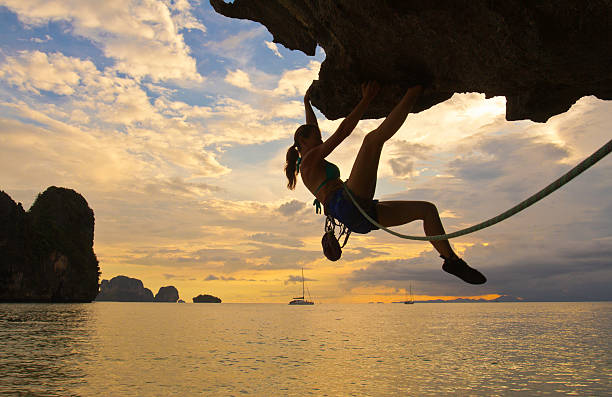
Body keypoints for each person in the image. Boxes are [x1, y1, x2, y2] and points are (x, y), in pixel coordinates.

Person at [285, 82, 486, 284]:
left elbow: (310, 128)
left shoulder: (307, 155)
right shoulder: (308, 162)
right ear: (302, 142)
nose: (321, 141)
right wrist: (367, 98)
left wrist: (306, 103)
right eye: (317, 138)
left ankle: (452, 261)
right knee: (372, 141)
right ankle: (414, 90)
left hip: (357, 214)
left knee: (427, 211)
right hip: (346, 204)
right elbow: (343, 131)